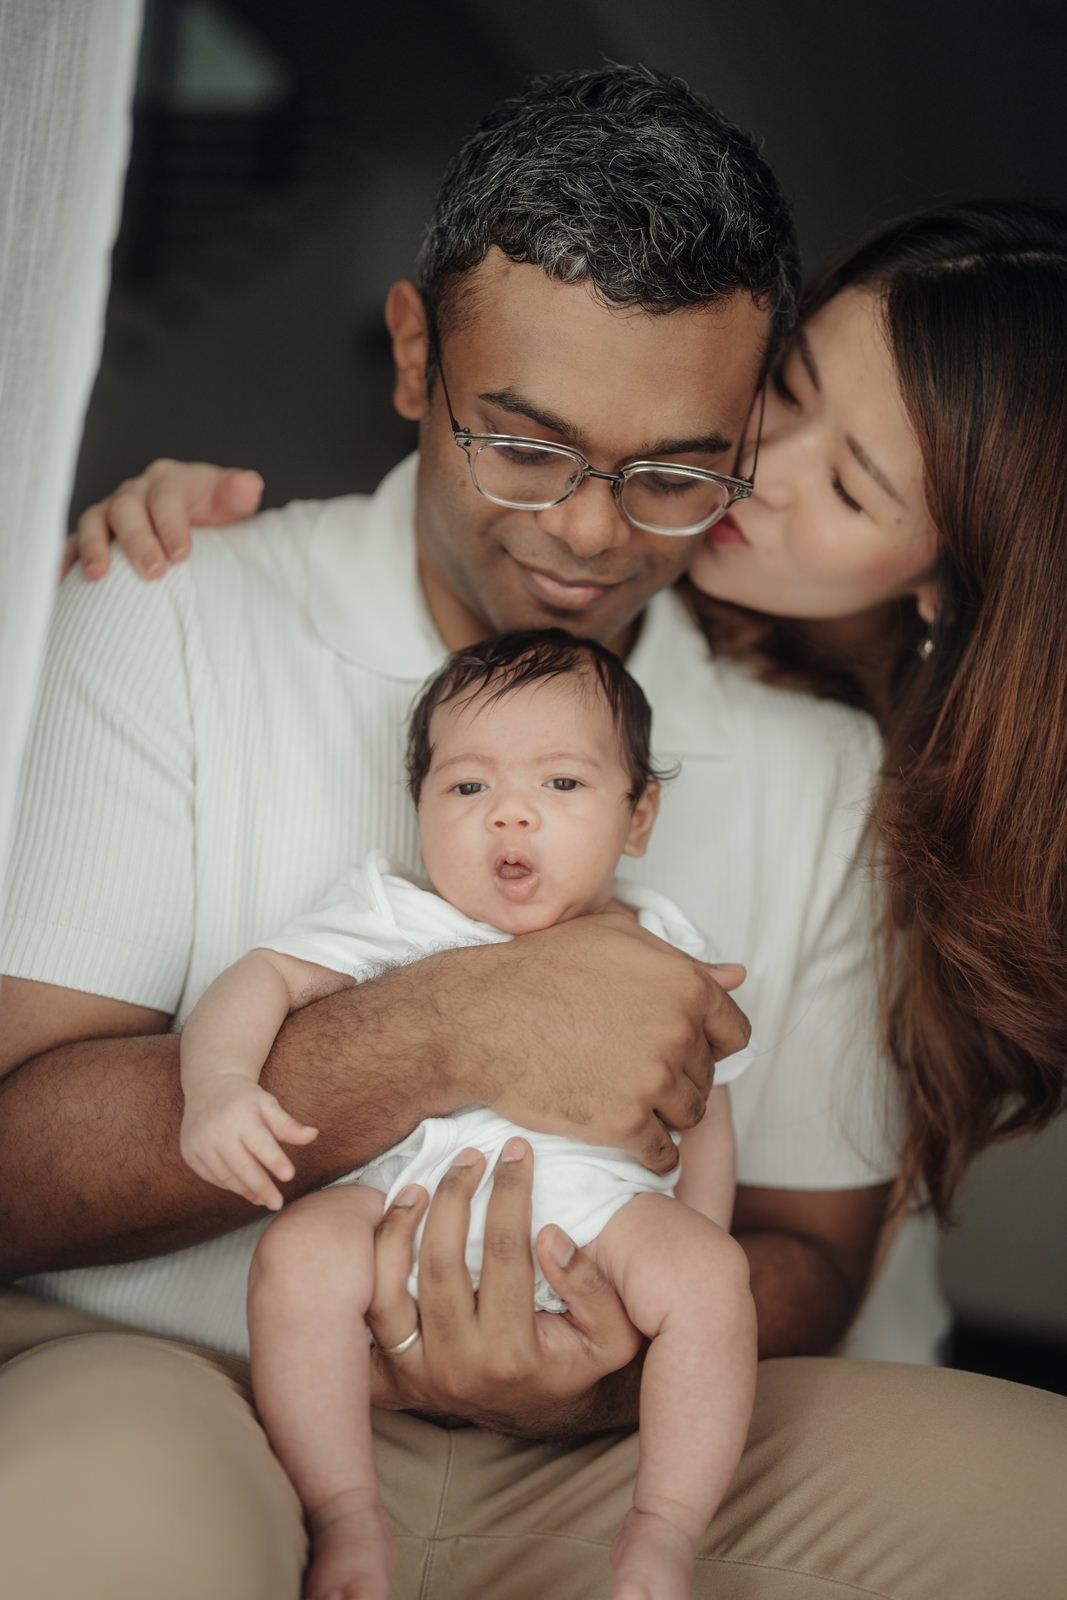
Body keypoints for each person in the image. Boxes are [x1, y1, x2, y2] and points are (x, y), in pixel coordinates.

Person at [2, 63, 1064, 1600]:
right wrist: (446, 1029)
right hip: (190, 1375)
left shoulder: (815, 760)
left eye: (676, 469)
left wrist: (592, 1355)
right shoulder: (171, 607)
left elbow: (812, 1262)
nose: (586, 529)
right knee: (107, 1532)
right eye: (522, 444)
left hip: (626, 1445)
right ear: (412, 354)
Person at [183, 628, 756, 1600]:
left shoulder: (659, 948)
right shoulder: (397, 915)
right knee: (296, 1254)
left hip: (602, 1218)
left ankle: (660, 1531)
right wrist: (220, 1087)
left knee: (712, 1276)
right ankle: (346, 1513)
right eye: (466, 788)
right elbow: (264, 976)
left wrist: (692, 1250)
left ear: (637, 813)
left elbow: (702, 1109)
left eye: (561, 786)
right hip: (398, 1200)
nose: (511, 817)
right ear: (418, 805)